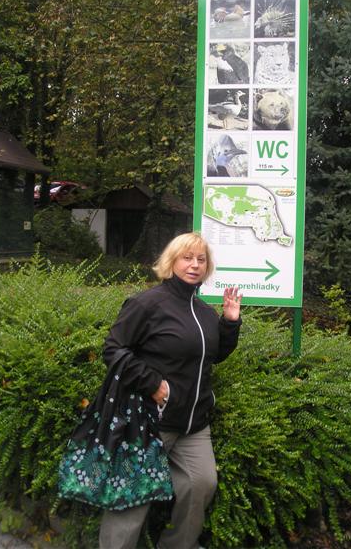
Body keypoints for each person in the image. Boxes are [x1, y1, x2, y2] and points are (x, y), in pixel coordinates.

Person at [99, 232, 242, 549]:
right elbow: (113, 349)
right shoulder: (147, 304)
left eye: (201, 259)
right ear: (171, 261)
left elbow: (213, 355)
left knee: (200, 483)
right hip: (150, 419)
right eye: (187, 258)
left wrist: (230, 323)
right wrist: (152, 384)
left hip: (193, 423)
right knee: (132, 495)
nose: (195, 265)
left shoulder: (204, 312)